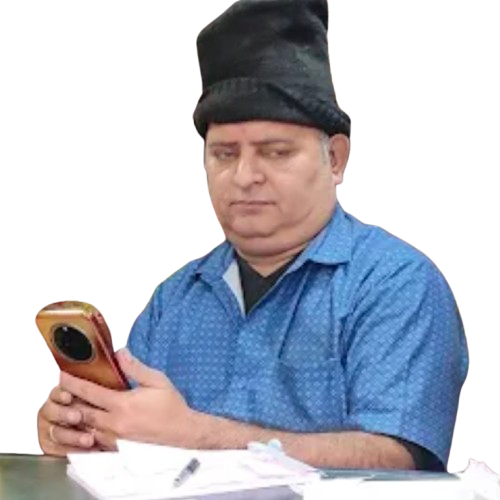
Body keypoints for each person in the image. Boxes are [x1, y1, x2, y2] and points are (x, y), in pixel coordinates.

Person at [36, 0, 469, 471]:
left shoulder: (395, 283)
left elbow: (402, 461)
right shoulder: (175, 298)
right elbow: (138, 438)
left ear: (335, 160)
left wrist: (199, 437)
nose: (244, 177)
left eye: (275, 152)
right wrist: (86, 430)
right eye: (224, 154)